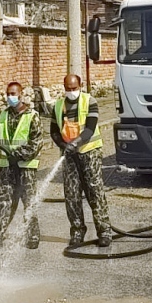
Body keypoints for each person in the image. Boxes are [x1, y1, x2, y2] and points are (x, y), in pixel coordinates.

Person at [0, 82, 42, 251]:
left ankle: (32, 236)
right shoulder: (3, 115)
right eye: (8, 94)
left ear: (21, 94)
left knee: (29, 202)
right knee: (2, 202)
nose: (10, 97)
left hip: (26, 166)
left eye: (13, 93)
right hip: (7, 167)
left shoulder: (32, 116)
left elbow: (36, 142)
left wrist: (18, 154)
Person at [50, 74, 113, 248]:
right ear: (64, 88)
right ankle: (77, 231)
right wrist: (63, 145)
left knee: (95, 191)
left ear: (80, 85)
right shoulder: (57, 106)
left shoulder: (89, 101)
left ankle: (104, 231)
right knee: (71, 194)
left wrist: (76, 143)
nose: (71, 92)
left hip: (89, 152)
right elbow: (54, 131)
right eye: (68, 89)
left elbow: (90, 128)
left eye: (74, 88)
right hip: (69, 156)